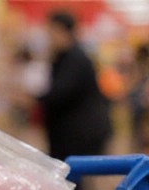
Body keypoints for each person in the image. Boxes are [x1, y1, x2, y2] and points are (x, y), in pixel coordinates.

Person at [39, 11, 112, 162]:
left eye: (51, 30)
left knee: (74, 178)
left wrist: (34, 100)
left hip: (77, 132)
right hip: (72, 130)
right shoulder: (67, 57)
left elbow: (60, 93)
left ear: (61, 30)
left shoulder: (75, 59)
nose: (49, 36)